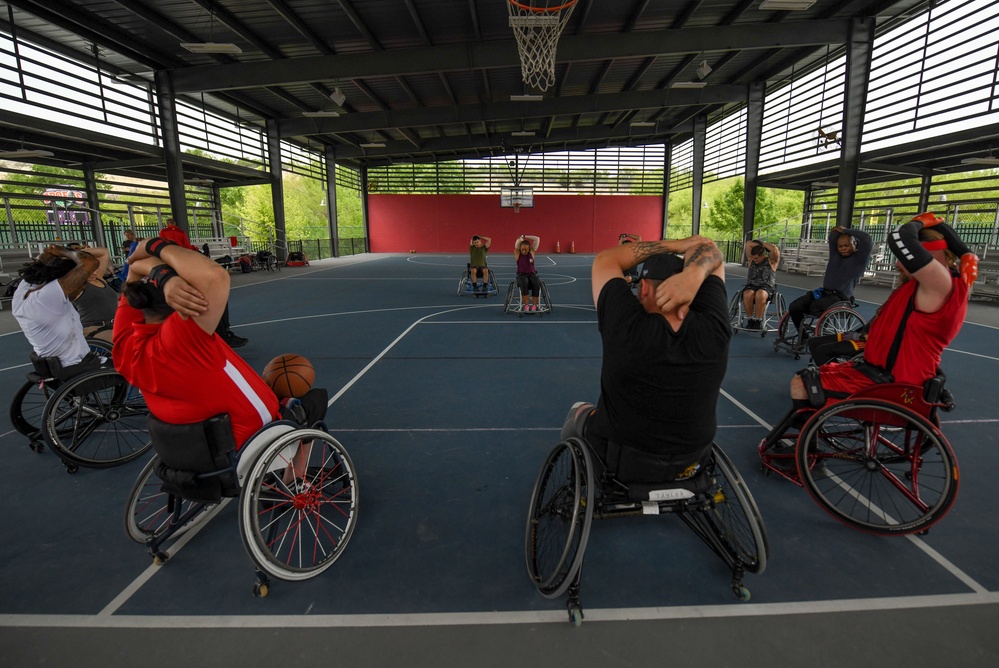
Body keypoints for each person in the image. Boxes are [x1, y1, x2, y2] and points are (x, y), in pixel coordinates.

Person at [767, 213, 978, 440]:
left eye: (905, 260)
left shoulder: (940, 285)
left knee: (801, 383)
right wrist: (962, 249)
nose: (898, 263)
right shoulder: (940, 284)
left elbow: (899, 238)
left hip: (890, 381)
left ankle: (808, 445)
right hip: (885, 371)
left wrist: (920, 222)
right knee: (814, 364)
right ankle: (808, 434)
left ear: (930, 257)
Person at [113, 238, 326, 451]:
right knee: (314, 403)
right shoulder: (182, 338)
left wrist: (159, 274)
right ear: (181, 299)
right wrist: (152, 249)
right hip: (256, 438)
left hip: (197, 451)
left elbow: (132, 272)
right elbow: (215, 276)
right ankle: (295, 478)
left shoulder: (126, 347)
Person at [560, 236, 729, 482]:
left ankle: (581, 479)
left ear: (644, 288)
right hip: (691, 461)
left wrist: (674, 245)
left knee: (578, 411)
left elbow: (607, 259)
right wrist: (694, 274)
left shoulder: (625, 326)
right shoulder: (715, 328)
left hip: (623, 460)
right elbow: (712, 252)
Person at [12, 244, 111, 373]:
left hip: (55, 366)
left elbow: (42, 261)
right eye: (81, 285)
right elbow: (91, 262)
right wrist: (64, 251)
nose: (82, 288)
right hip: (77, 366)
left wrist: (53, 251)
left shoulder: (25, 290)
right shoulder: (48, 296)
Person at [786, 225, 873, 333]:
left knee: (813, 306)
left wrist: (845, 230)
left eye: (846, 245)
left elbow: (866, 239)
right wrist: (838, 229)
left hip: (840, 298)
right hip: (824, 293)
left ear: (855, 244)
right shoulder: (835, 255)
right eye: (840, 246)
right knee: (794, 306)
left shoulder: (859, 259)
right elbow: (833, 236)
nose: (843, 248)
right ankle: (803, 335)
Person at [73, 261, 119, 343]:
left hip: (112, 325)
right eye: (89, 271)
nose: (94, 273)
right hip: (93, 329)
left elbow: (104, 252)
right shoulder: (78, 286)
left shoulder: (100, 279)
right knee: (128, 340)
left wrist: (81, 253)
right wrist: (73, 255)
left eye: (95, 269)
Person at [741, 238, 780, 330]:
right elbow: (748, 244)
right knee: (747, 294)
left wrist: (763, 245)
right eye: (753, 257)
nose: (754, 260)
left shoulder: (772, 261)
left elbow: (774, 249)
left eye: (757, 258)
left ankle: (758, 320)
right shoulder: (751, 260)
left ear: (763, 255)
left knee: (760, 294)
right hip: (751, 285)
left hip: (766, 287)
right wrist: (760, 246)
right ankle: (750, 320)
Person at [514, 234, 541, 311]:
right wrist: (521, 238)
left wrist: (525, 236)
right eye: (522, 249)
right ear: (520, 248)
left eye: (526, 250)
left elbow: (537, 238)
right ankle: (526, 306)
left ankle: (534, 306)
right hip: (521, 275)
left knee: (537, 283)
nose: (524, 251)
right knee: (524, 282)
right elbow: (518, 242)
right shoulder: (517, 253)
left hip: (532, 274)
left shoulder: (532, 252)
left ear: (529, 249)